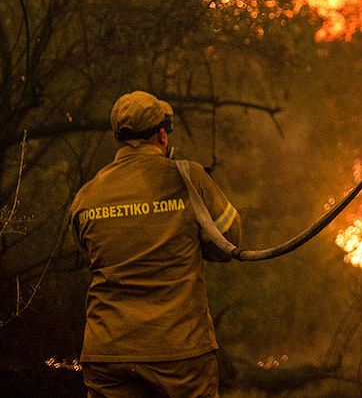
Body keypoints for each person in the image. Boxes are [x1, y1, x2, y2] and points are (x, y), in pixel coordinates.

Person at [69, 90, 242, 398]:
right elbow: (229, 241)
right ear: (162, 136)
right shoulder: (189, 178)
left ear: (118, 139)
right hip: (179, 352)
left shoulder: (87, 195)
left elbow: (90, 255)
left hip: (108, 352)